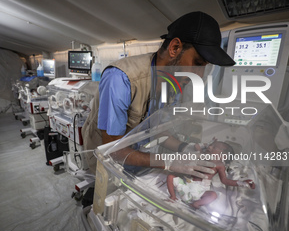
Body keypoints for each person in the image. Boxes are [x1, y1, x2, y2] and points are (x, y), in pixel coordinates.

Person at [82, 11, 235, 176]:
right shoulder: (121, 79)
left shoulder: (172, 84)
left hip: (137, 160)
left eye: (204, 67)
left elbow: (155, 129)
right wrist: (168, 162)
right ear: (174, 48)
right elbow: (112, 150)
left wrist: (184, 148)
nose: (198, 75)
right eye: (197, 63)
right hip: (107, 165)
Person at [167, 140, 255, 209]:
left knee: (213, 195)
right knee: (170, 177)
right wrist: (206, 144)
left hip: (201, 190)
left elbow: (225, 181)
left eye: (214, 147)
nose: (210, 147)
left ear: (223, 156)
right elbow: (196, 146)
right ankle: (173, 196)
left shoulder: (220, 165)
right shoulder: (202, 155)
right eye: (210, 145)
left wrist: (242, 183)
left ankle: (197, 203)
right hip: (187, 184)